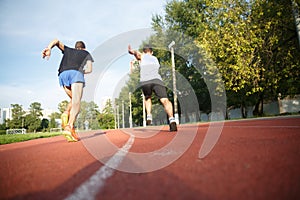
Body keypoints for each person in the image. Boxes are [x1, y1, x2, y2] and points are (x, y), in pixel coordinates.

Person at [42, 39, 94, 142]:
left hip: (62, 74)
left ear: (75, 47)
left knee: (73, 99)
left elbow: (56, 41)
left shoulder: (68, 50)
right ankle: (69, 126)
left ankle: (66, 113)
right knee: (77, 102)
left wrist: (48, 48)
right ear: (84, 48)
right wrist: (81, 71)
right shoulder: (86, 53)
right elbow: (89, 69)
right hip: (76, 73)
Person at [128, 44, 177, 132]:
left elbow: (137, 54)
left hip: (145, 81)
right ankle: (172, 119)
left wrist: (132, 52)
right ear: (152, 52)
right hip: (157, 80)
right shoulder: (155, 58)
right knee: (165, 100)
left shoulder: (143, 56)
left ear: (144, 51)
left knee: (147, 98)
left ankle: (149, 115)